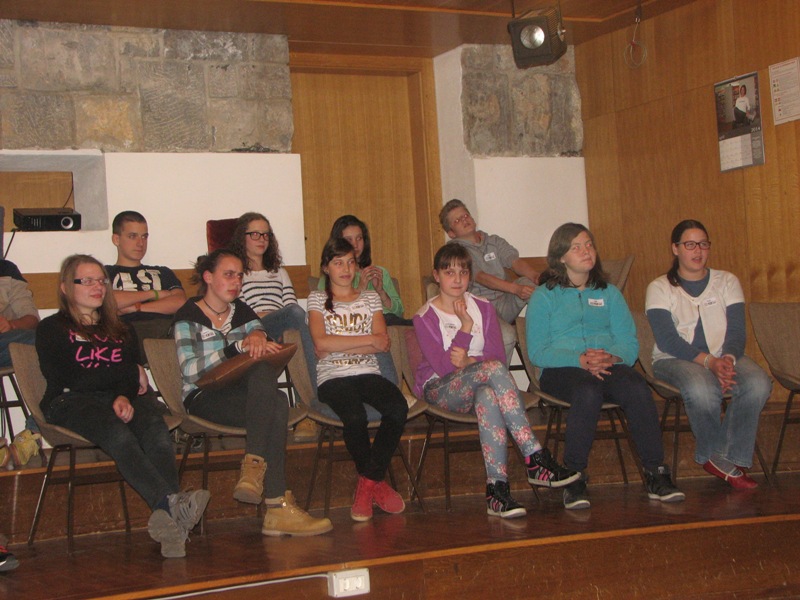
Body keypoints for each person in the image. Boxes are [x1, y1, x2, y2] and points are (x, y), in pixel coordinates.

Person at [36, 254, 208, 558]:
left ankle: (170, 527)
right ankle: (170, 503)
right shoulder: (51, 328)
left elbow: (130, 372)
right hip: (70, 400)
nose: (97, 287)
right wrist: (122, 382)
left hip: (119, 397)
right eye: (87, 281)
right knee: (118, 433)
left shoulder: (121, 328)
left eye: (101, 281)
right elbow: (72, 376)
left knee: (156, 429)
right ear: (65, 287)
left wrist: (124, 394)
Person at [413, 244, 579, 518]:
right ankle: (534, 455)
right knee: (489, 371)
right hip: (441, 390)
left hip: (481, 383)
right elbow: (445, 367)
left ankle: (497, 491)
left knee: (489, 396)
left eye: (463, 272)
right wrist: (466, 327)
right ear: (436, 276)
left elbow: (498, 359)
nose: (457, 279)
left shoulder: (483, 307)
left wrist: (470, 362)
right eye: (449, 272)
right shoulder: (424, 317)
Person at [173, 249, 332, 536]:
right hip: (203, 397)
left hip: (243, 395)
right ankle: (277, 505)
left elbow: (260, 338)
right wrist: (235, 348)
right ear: (208, 277)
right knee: (277, 403)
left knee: (265, 378)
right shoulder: (188, 315)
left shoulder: (243, 311)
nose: (236, 282)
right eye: (228, 275)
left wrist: (260, 336)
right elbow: (190, 370)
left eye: (239, 276)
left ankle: (253, 469)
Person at [526, 223, 685, 510]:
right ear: (561, 257)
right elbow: (539, 352)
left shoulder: (609, 293)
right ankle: (574, 476)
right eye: (576, 247)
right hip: (561, 369)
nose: (586, 251)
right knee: (588, 390)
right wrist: (580, 360)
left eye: (589, 245)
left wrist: (611, 357)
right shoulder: (544, 295)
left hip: (605, 363)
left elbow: (629, 343)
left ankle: (655, 472)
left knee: (637, 386)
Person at [646, 219, 770, 489]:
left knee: (758, 383)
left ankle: (723, 458)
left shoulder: (727, 281)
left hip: (724, 355)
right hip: (673, 358)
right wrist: (709, 362)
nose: (698, 251)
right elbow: (668, 340)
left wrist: (727, 360)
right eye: (690, 244)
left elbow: (737, 332)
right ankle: (719, 458)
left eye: (703, 244)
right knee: (702, 388)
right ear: (675, 249)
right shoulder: (659, 287)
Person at [308, 237, 409, 522]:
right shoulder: (316, 299)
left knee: (398, 407)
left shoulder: (370, 298)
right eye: (338, 263)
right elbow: (320, 342)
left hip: (368, 372)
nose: (345, 269)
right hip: (332, 377)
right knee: (354, 417)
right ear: (326, 268)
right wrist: (367, 341)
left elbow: (383, 343)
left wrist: (337, 344)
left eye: (350, 262)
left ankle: (368, 483)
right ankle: (376, 484)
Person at [227, 211, 319, 442]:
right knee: (296, 316)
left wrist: (282, 319)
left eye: (266, 234)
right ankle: (317, 395)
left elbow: (290, 303)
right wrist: (272, 316)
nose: (262, 239)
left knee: (296, 335)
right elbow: (242, 312)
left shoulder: (279, 272)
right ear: (242, 237)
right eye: (255, 234)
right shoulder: (238, 274)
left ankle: (305, 413)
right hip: (254, 329)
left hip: (283, 325)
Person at [440, 199, 540, 361]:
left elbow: (515, 261)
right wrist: (515, 289)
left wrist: (536, 277)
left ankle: (544, 338)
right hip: (481, 309)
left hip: (506, 300)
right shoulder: (456, 251)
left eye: (465, 215)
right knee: (507, 334)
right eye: (457, 220)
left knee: (532, 287)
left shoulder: (493, 241)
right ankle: (499, 374)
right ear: (451, 233)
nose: (464, 220)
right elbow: (480, 277)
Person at [105, 211, 186, 357]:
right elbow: (108, 300)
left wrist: (136, 308)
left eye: (144, 236)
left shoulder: (163, 272)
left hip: (166, 332)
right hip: (126, 332)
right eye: (132, 236)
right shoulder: (105, 272)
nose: (140, 243)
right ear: (116, 239)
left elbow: (180, 302)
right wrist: (154, 294)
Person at [319, 215, 410, 327]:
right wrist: (361, 289)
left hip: (389, 320)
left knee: (405, 322)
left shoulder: (379, 271)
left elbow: (399, 312)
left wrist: (381, 291)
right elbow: (330, 313)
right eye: (349, 240)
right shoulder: (332, 276)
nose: (355, 245)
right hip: (361, 322)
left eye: (359, 238)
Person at [0, 258, 39, 367]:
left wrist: (11, 325)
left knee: (50, 337)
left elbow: (32, 319)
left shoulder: (5, 269)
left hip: (4, 341)